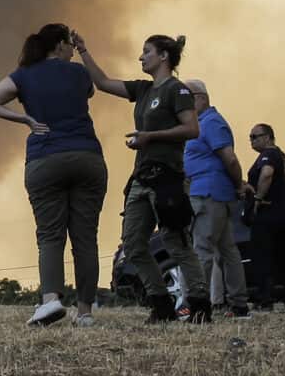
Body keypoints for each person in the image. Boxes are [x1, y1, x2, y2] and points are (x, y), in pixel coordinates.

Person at [0, 23, 107, 327]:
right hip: (88, 157)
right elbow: (91, 88)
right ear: (61, 45)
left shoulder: (24, 74)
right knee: (85, 238)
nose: (73, 51)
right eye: (71, 46)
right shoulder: (78, 72)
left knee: (50, 236)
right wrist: (84, 51)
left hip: (45, 158)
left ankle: (51, 301)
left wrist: (24, 118)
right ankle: (86, 313)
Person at [77, 31, 207, 323]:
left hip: (169, 178)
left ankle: (199, 305)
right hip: (141, 177)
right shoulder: (143, 90)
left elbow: (192, 129)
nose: (140, 57)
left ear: (163, 56)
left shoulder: (178, 90)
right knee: (133, 245)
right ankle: (161, 305)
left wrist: (150, 136)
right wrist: (83, 52)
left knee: (176, 242)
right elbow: (103, 83)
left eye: (146, 51)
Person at [184, 79, 250, 318]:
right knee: (227, 250)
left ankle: (199, 307)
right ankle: (239, 305)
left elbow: (230, 159)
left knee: (202, 249)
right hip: (214, 193)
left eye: (185, 97)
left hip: (208, 194)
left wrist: (237, 184)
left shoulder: (210, 123)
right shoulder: (203, 123)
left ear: (199, 97)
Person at [244, 123, 285, 311]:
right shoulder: (282, 156)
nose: (251, 140)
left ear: (267, 137)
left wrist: (259, 198)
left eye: (254, 136)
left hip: (268, 216)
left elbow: (267, 174)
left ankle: (264, 299)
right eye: (250, 137)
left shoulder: (269, 154)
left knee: (262, 257)